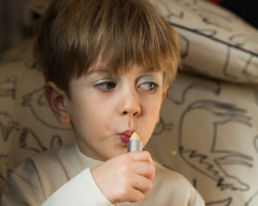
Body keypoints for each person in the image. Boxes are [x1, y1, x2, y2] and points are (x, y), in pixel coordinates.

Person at [0, 0, 205, 205]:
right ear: (60, 103)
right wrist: (92, 192)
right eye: (107, 85)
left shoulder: (180, 195)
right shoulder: (35, 180)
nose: (132, 106)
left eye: (149, 85)